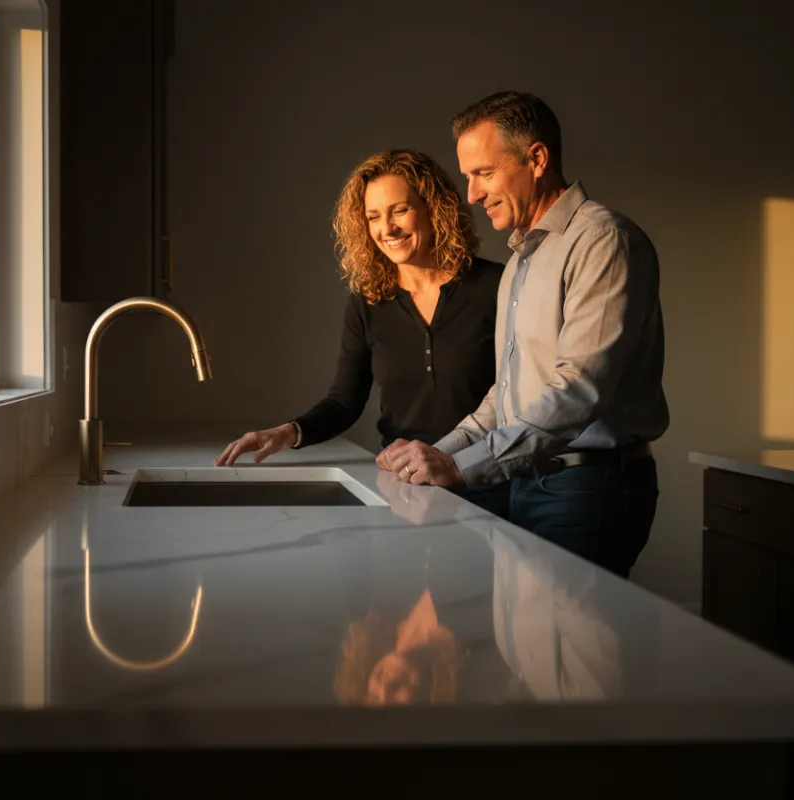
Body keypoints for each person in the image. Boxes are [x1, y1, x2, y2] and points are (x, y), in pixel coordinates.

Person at [379, 91, 669, 579]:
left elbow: (579, 388)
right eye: (468, 176)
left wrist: (463, 468)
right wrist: (438, 451)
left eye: (483, 173)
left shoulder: (602, 240)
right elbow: (509, 393)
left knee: (573, 652)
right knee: (529, 647)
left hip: (587, 488)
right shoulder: (520, 260)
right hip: (530, 481)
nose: (471, 193)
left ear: (536, 159)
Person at [215, 149, 509, 517]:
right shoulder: (369, 302)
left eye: (400, 210)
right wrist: (287, 433)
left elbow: (519, 395)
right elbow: (344, 401)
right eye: (374, 217)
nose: (387, 229)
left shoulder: (497, 285)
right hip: (405, 487)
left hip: (485, 481)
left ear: (435, 208)